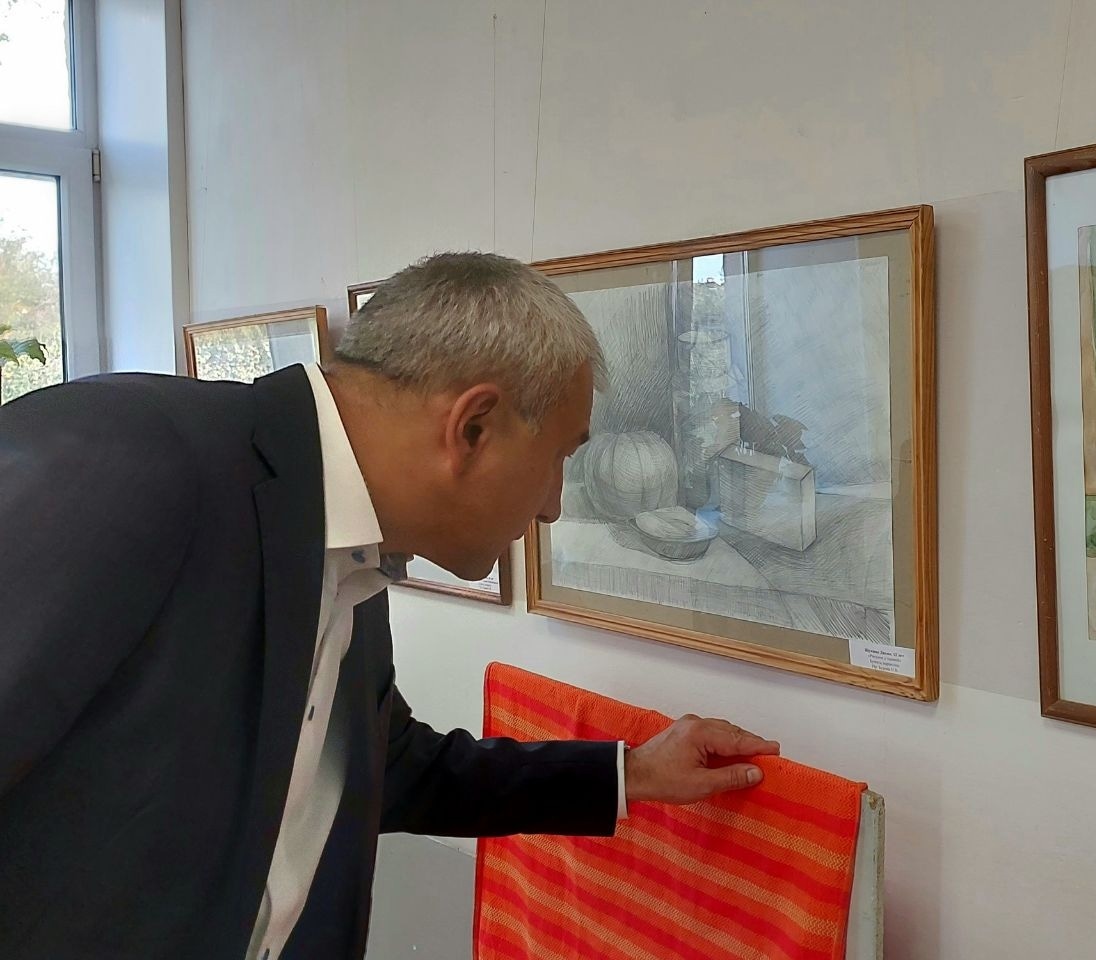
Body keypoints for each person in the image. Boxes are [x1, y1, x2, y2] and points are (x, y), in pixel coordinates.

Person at [0, 253, 780, 959]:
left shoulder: (346, 551)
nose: (552, 506)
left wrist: (630, 772)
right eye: (557, 459)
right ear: (472, 428)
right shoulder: (132, 457)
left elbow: (386, 768)